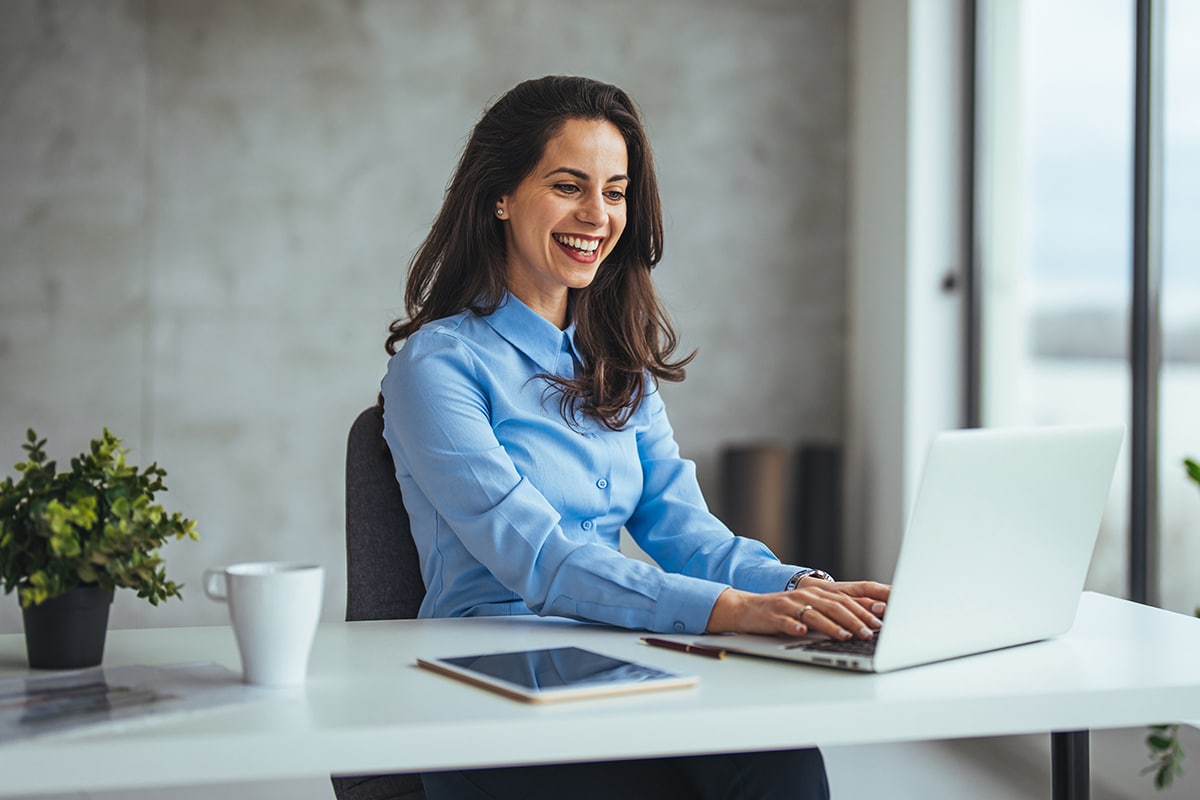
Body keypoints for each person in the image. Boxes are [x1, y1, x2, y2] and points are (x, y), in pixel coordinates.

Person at [380, 75, 890, 800]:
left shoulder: (617, 364)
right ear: (500, 195)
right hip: (487, 684)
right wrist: (730, 611)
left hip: (611, 655)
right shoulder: (439, 367)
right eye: (568, 185)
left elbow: (690, 536)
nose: (597, 214)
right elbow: (544, 561)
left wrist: (807, 593)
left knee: (783, 762)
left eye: (615, 191)